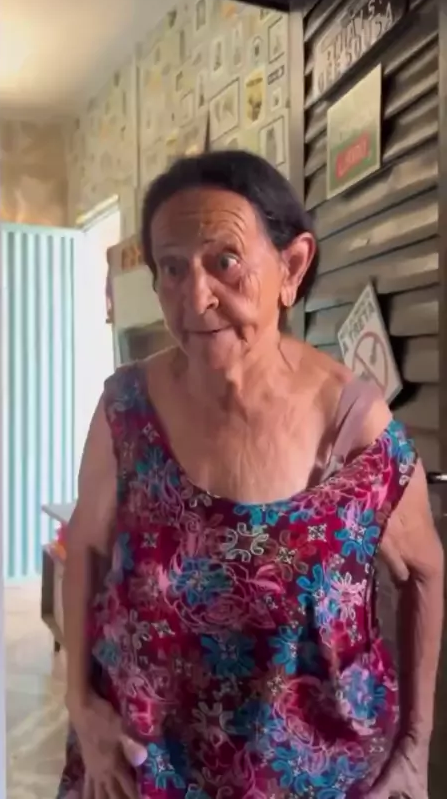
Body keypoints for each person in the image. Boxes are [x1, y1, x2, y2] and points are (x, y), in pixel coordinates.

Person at [58, 151, 444, 799]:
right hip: (139, 769)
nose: (195, 297)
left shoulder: (354, 427)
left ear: (291, 267)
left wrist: (415, 747)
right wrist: (80, 704)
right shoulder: (126, 410)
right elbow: (87, 547)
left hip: (320, 777)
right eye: (172, 269)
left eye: (225, 261)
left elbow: (426, 572)